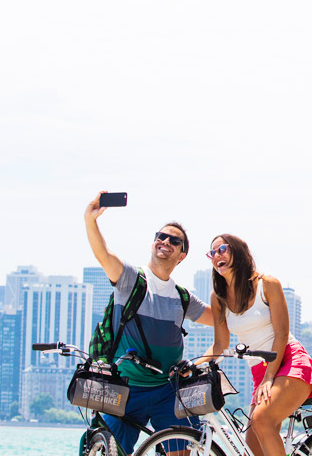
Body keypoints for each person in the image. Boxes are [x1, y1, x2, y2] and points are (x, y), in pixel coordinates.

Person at [84, 191, 214, 455]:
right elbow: (103, 255)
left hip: (168, 390)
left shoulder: (182, 297)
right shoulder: (130, 280)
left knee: (183, 451)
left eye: (174, 240)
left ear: (182, 254)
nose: (165, 241)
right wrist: (90, 220)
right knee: (112, 450)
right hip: (126, 391)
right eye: (160, 236)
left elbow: (221, 318)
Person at [204, 234, 312, 456]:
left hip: (289, 361)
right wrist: (193, 365)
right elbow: (220, 344)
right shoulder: (218, 297)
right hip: (260, 371)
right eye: (213, 252)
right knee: (253, 448)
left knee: (261, 420)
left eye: (223, 249)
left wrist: (269, 377)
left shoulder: (267, 284)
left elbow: (281, 332)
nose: (217, 255)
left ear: (239, 252)